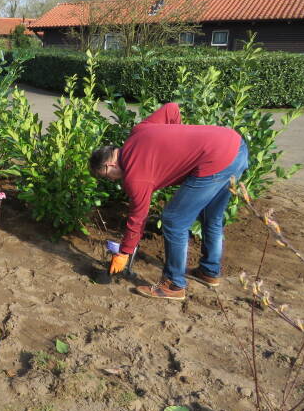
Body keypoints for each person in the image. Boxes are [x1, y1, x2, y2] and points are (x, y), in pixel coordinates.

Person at [89, 102, 249, 301]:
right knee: (211, 215)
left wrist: (124, 253)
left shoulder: (135, 175)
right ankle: (209, 271)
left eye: (106, 176)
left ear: (109, 165)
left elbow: (138, 218)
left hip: (216, 160)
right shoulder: (138, 131)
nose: (112, 180)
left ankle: (174, 285)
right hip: (236, 146)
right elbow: (171, 109)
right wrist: (178, 146)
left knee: (174, 220)